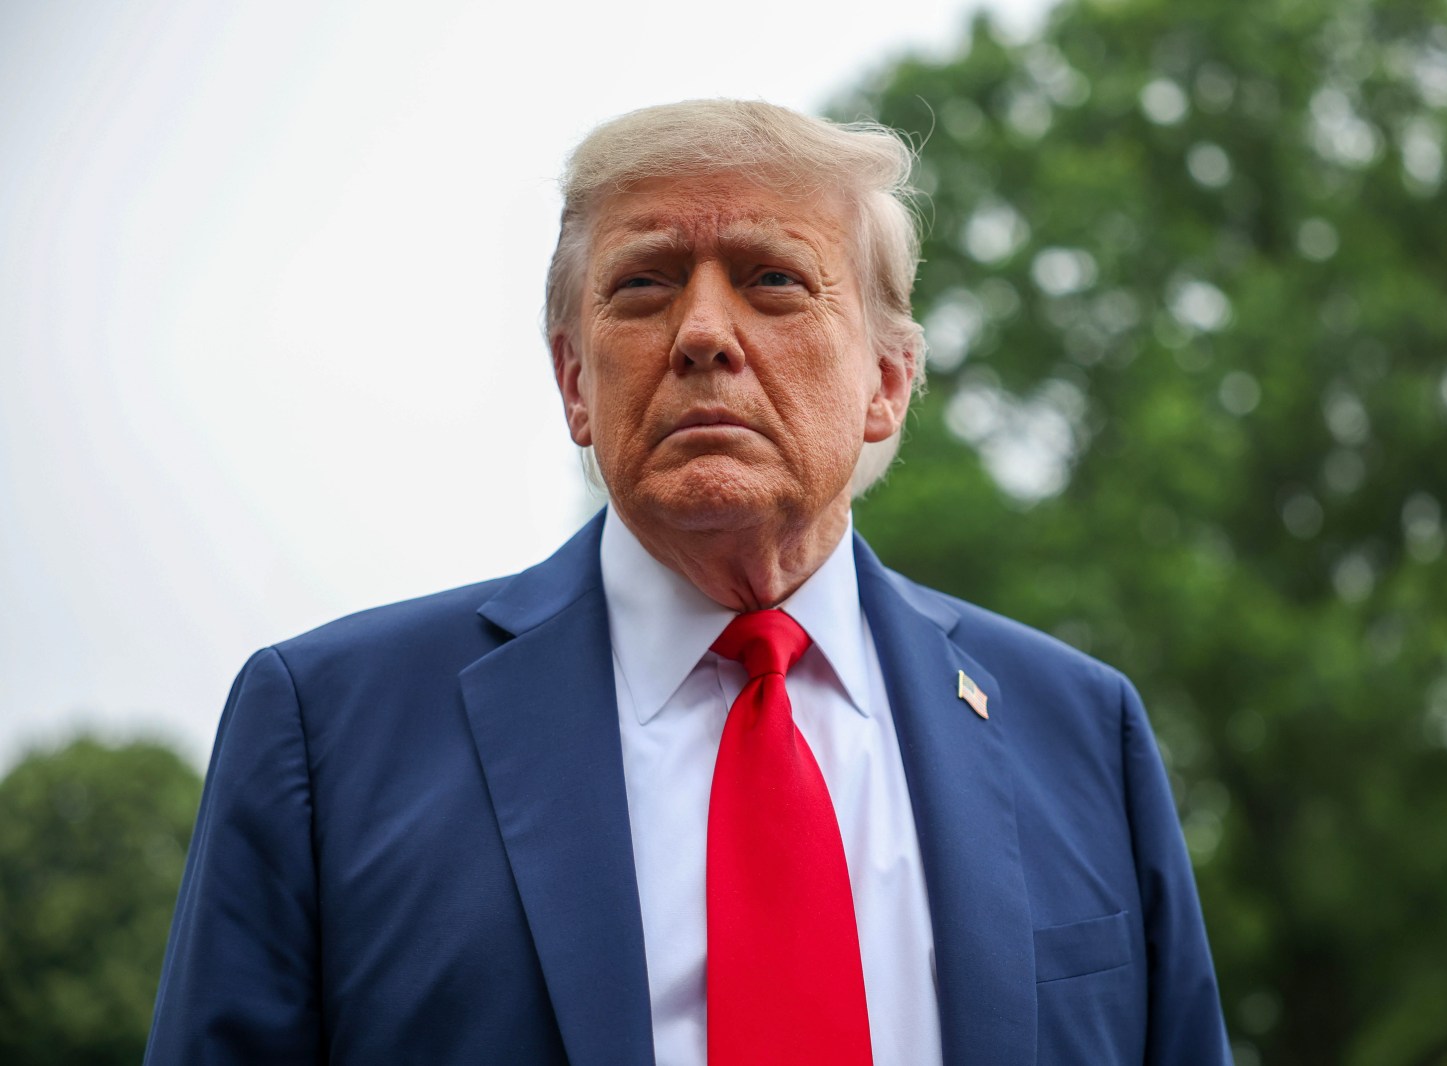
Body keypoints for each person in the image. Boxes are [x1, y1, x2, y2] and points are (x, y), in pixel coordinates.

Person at [145, 99, 1231, 1065]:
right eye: (644, 284)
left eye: (772, 279)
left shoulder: (1081, 731)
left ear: (886, 385)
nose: (705, 333)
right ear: (575, 381)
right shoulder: (326, 732)